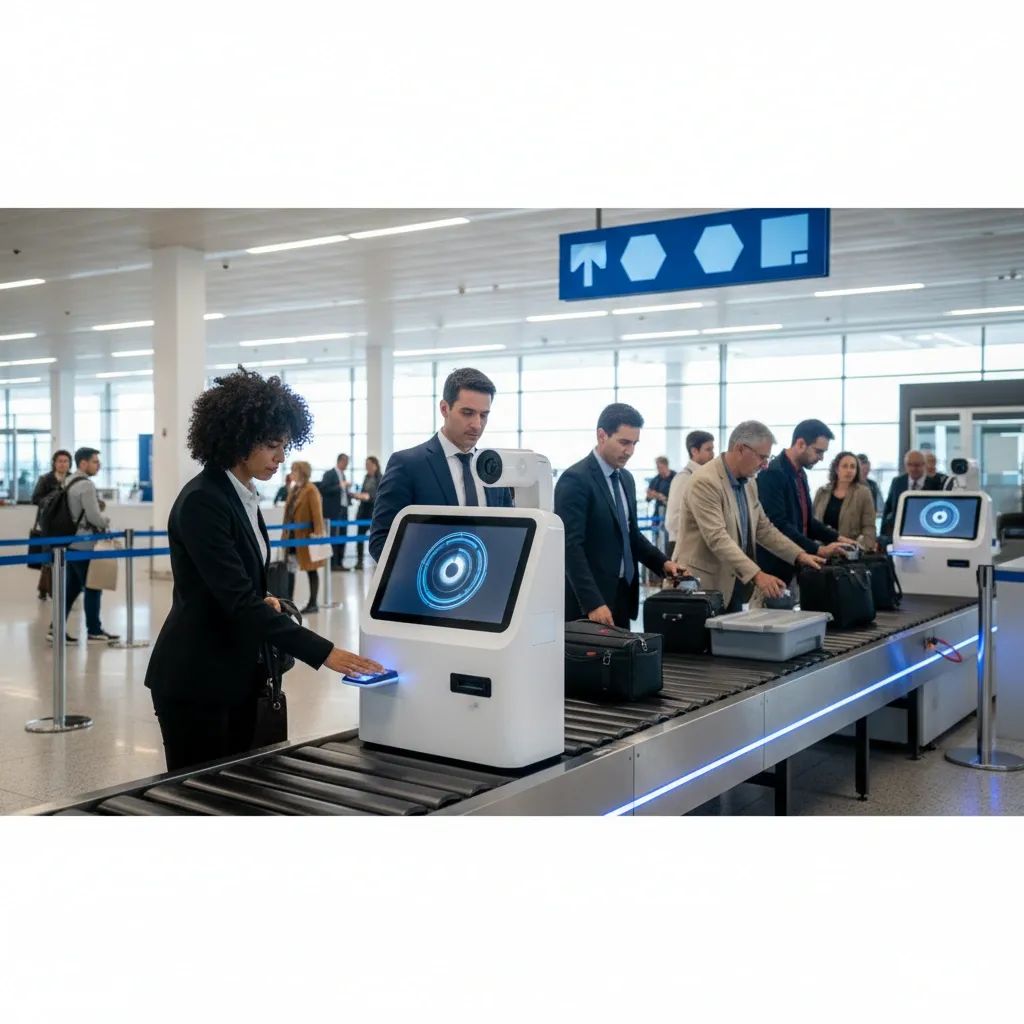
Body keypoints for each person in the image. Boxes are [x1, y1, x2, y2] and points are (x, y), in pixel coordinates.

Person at [144, 368, 382, 772]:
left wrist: (264, 596)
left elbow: (237, 582)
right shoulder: (204, 501)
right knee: (203, 802)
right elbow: (236, 601)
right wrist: (324, 653)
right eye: (272, 445)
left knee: (240, 795)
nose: (281, 457)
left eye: (285, 445)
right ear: (239, 439)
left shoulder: (242, 494)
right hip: (197, 680)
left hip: (237, 674)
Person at [555, 403, 687, 629]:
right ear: (601, 436)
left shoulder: (625, 479)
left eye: (634, 443)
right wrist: (593, 603)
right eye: (624, 442)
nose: (630, 451)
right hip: (591, 603)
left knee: (622, 662)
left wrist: (663, 563)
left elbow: (630, 535)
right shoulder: (576, 480)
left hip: (623, 594)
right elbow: (570, 547)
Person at [673, 421, 825, 613]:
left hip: (733, 582)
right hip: (701, 586)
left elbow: (764, 528)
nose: (765, 464)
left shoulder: (749, 482)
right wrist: (758, 575)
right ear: (740, 449)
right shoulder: (705, 482)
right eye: (762, 457)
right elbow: (717, 538)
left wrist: (799, 555)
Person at [369, 366, 513, 562]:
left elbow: (508, 536)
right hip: (427, 588)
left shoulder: (495, 469)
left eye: (483, 415)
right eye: (468, 413)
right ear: (445, 408)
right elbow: (381, 541)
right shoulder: (408, 465)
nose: (477, 424)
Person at [756, 419, 857, 585]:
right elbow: (778, 524)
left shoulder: (800, 475)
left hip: (797, 564)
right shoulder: (773, 474)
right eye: (818, 452)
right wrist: (818, 549)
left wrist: (839, 538)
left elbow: (807, 522)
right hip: (775, 569)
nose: (822, 458)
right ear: (801, 443)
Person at [49, 447, 121, 644]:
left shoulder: (69, 480)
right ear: (83, 463)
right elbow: (94, 517)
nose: (98, 465)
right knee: (93, 586)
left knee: (72, 588)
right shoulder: (86, 485)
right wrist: (107, 521)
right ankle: (94, 630)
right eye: (95, 462)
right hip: (85, 544)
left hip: (71, 542)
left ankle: (54, 629)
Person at [282, 460, 327, 614]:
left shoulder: (311, 489)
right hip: (292, 537)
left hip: (307, 537)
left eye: (294, 470)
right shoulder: (294, 489)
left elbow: (317, 514)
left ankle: (313, 603)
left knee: (311, 569)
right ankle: (288, 603)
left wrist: (318, 534)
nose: (291, 473)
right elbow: (288, 513)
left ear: (302, 472)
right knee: (290, 568)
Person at [813, 451, 877, 551]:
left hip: (850, 551)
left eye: (853, 467)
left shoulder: (863, 493)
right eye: (845, 466)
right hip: (823, 550)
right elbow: (812, 522)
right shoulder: (822, 492)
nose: (849, 470)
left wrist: (864, 548)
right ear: (836, 469)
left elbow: (869, 527)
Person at [31, 449, 72, 600]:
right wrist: (53, 497)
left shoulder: (73, 479)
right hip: (48, 522)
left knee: (65, 557)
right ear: (54, 463)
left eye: (66, 461)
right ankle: (49, 589)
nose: (62, 464)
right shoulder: (45, 479)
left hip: (68, 523)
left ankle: (57, 588)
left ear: (70, 464)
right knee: (48, 557)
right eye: (60, 461)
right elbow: (35, 498)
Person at [665, 430, 715, 550]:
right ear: (694, 451)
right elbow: (673, 520)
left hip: (697, 545)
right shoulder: (684, 478)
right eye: (708, 449)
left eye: (713, 449)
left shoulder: (705, 476)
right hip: (682, 545)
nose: (713, 454)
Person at [880, 449, 944, 542]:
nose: (913, 468)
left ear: (924, 465)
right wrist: (883, 535)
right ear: (905, 465)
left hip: (926, 533)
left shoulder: (935, 484)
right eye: (910, 465)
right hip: (899, 533)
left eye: (917, 465)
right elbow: (888, 508)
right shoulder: (898, 482)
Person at [319, 453, 351, 570]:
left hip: (344, 509)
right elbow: (323, 489)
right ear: (340, 461)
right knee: (334, 536)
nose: (347, 465)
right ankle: (333, 564)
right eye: (346, 463)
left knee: (343, 535)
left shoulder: (343, 475)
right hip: (333, 511)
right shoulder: (329, 474)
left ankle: (340, 563)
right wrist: (340, 486)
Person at [352, 455, 382, 570]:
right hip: (363, 512)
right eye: (366, 465)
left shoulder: (380, 478)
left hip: (374, 512)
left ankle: (380, 562)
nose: (367, 467)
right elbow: (363, 492)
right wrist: (359, 496)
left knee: (376, 539)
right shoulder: (366, 477)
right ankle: (359, 561)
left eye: (369, 465)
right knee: (359, 538)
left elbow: (379, 495)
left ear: (375, 465)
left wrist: (369, 497)